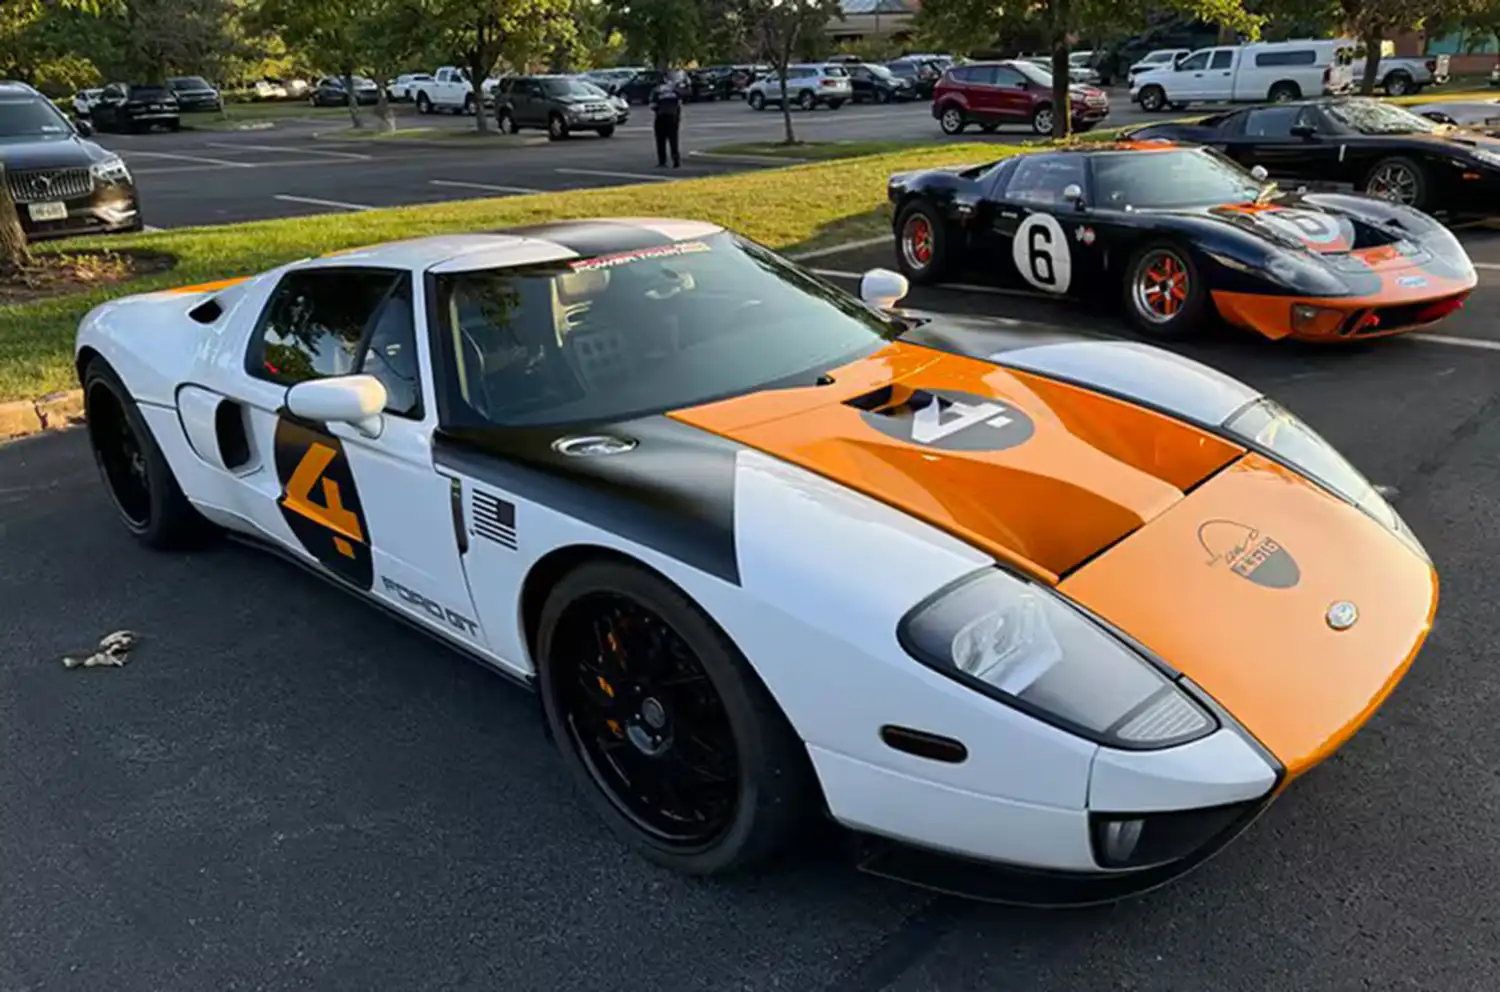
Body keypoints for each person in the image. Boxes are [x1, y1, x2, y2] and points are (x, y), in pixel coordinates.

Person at [649, 70, 683, 168]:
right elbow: (680, 104)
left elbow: (652, 105)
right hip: (673, 117)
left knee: (660, 140)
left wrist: (658, 109)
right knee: (673, 140)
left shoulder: (657, 90)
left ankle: (662, 161)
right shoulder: (675, 90)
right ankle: (676, 160)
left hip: (661, 116)